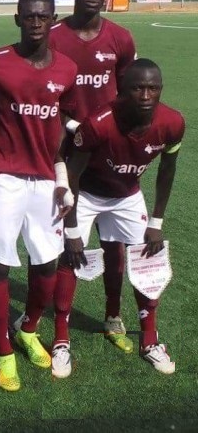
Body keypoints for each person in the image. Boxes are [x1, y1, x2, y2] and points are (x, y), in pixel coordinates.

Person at [0, 0, 77, 392]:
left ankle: (28, 329)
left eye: (43, 16)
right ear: (17, 19)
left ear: (53, 20)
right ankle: (4, 352)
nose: (35, 23)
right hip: (3, 180)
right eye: (28, 16)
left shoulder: (66, 70)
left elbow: (60, 133)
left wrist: (63, 183)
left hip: (47, 182)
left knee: (47, 265)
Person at [55, 59, 184, 378]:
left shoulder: (172, 122)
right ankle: (60, 339)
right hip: (86, 194)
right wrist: (71, 228)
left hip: (127, 195)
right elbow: (73, 173)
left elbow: (168, 170)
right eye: (137, 88)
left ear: (160, 91)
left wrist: (156, 223)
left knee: (147, 258)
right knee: (68, 257)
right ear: (122, 91)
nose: (145, 95)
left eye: (152, 88)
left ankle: (150, 340)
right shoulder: (99, 122)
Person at [48, 0, 138, 356]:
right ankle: (55, 319)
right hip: (64, 150)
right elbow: (42, 92)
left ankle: (113, 313)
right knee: (65, 237)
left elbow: (131, 91)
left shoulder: (120, 38)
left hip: (110, 152)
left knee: (115, 242)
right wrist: (70, 126)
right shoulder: (52, 37)